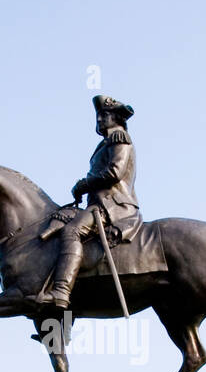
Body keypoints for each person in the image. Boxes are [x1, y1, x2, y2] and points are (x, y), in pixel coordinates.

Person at [38, 94, 142, 310]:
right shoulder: (104, 143)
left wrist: (84, 184)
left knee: (72, 232)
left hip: (114, 205)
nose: (100, 119)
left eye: (105, 115)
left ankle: (61, 291)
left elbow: (114, 172)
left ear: (116, 117)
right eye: (98, 115)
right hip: (99, 204)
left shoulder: (119, 137)